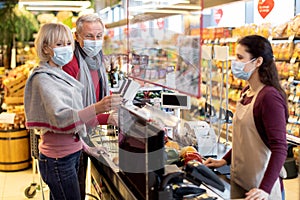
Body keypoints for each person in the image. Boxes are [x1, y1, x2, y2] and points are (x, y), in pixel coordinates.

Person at [24, 23, 122, 200]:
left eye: (69, 43)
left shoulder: (59, 74)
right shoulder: (43, 79)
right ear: (46, 48)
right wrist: (98, 107)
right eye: (59, 44)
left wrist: (85, 147)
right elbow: (62, 119)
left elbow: (75, 122)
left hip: (71, 154)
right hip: (58, 161)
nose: (67, 49)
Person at [204, 35, 288, 200]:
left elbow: (280, 148)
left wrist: (264, 189)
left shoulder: (269, 97)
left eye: (240, 58)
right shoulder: (246, 92)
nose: (235, 62)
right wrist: (224, 160)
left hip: (261, 190)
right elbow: (245, 139)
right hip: (241, 180)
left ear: (258, 62)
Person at [62, 13, 113, 200]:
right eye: (89, 36)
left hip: (88, 132)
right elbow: (69, 113)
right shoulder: (70, 64)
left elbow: (98, 94)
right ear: (77, 36)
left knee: (80, 186)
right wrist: (106, 117)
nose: (95, 41)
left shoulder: (98, 60)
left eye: (99, 36)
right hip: (72, 138)